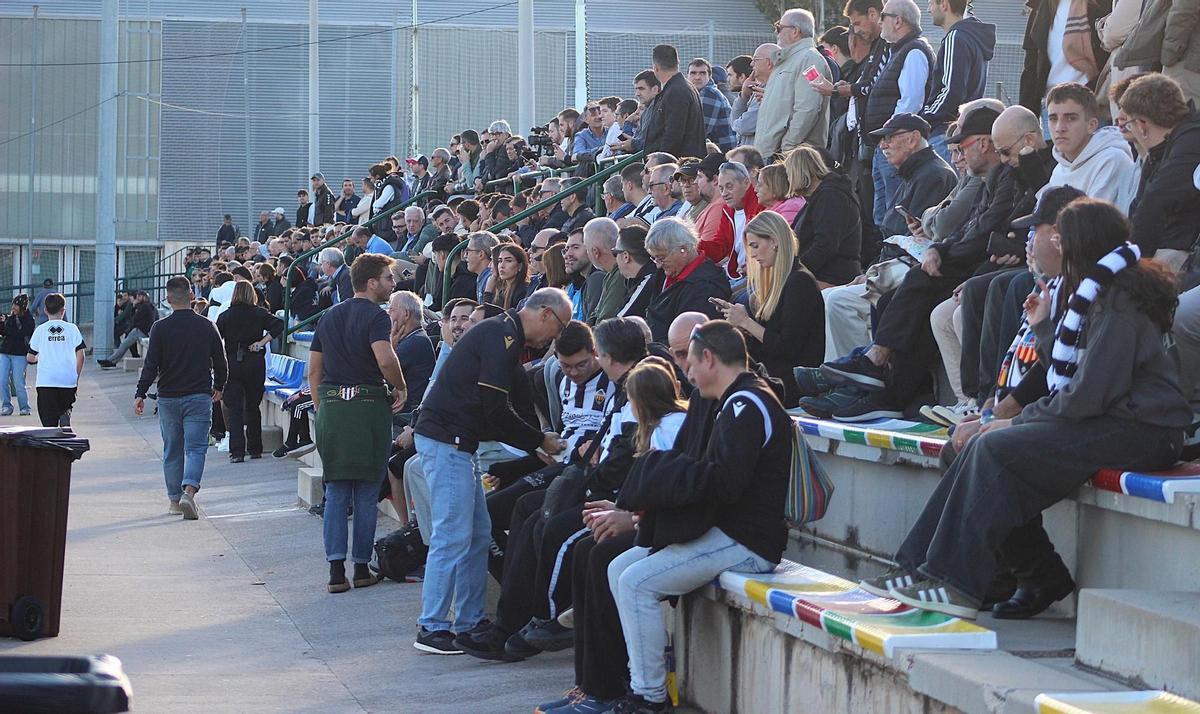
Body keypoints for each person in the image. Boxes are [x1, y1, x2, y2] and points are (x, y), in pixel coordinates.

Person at [865, 198, 1188, 620]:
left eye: (1058, 236)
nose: (1045, 242)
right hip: (1111, 419)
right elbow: (1074, 375)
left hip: (1143, 430)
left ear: (1081, 244)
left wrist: (1014, 421)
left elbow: (1087, 394)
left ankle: (954, 583)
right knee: (961, 449)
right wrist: (1044, 329)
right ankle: (1009, 574)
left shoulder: (1120, 301)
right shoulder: (1097, 293)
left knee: (994, 450)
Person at [608, 320, 791, 713]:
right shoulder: (735, 399)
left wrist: (661, 475)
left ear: (709, 358)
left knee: (637, 583)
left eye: (689, 363)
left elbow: (726, 484)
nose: (686, 374)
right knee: (619, 567)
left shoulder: (747, 404)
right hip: (725, 533)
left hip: (747, 542)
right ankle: (645, 676)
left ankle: (649, 697)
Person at [412, 288, 572, 654]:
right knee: (453, 534)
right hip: (447, 440)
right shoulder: (501, 335)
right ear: (546, 314)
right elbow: (496, 408)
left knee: (478, 533)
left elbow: (508, 404)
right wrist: (538, 441)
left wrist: (535, 441)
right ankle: (432, 625)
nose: (555, 338)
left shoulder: (504, 333)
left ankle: (468, 622)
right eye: (559, 327)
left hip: (457, 442)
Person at [308, 253, 409, 594]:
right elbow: (384, 358)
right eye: (387, 279)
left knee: (336, 490)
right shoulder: (376, 317)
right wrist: (401, 386)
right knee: (366, 493)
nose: (391, 285)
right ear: (371, 283)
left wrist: (324, 408)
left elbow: (314, 371)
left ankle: (336, 572)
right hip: (367, 407)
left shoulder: (329, 316)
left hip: (334, 407)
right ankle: (362, 568)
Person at [133, 278, 227, 520]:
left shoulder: (160, 328)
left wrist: (141, 393)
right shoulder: (207, 326)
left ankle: (174, 501)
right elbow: (221, 361)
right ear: (192, 295)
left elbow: (151, 365)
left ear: (168, 299)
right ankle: (189, 490)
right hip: (198, 395)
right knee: (196, 448)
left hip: (168, 397)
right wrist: (219, 386)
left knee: (172, 450)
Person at [711, 211, 824, 407]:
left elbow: (788, 348)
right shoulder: (777, 283)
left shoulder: (799, 282)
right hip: (772, 377)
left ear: (774, 241)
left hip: (791, 384)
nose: (752, 255)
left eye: (755, 246)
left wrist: (746, 322)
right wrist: (741, 327)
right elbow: (765, 346)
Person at [1119, 73, 1200, 267]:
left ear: (1142, 125)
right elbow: (1138, 208)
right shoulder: (1171, 144)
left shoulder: (1191, 139)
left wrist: (1129, 266)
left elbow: (1157, 199)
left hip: (1182, 256)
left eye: (1129, 124)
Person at [216, 280, 284, 463]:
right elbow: (278, 325)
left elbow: (215, 339)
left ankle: (237, 452)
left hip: (232, 363)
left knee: (235, 408)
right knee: (253, 407)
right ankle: (255, 448)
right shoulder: (259, 313)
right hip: (254, 361)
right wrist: (262, 342)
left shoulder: (225, 316)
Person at [920, 0, 996, 162]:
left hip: (944, 133)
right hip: (960, 131)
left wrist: (925, 118)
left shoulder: (955, 37)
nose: (928, 9)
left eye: (931, 3)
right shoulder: (972, 36)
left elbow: (951, 90)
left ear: (944, 5)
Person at [1040, 82, 1135, 207]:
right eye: (1053, 119)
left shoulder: (1112, 160)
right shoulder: (1059, 169)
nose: (1059, 128)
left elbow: (1090, 223)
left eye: (1070, 118)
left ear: (1092, 125)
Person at [755, 8, 832, 159]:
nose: (777, 33)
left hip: (790, 158)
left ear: (795, 31)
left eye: (779, 27)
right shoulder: (787, 60)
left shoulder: (809, 58)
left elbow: (808, 108)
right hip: (775, 153)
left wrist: (788, 147)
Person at [868, 113, 957, 239]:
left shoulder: (932, 176)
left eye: (888, 137)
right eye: (881, 140)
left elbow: (916, 239)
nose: (882, 146)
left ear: (913, 138)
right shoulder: (914, 172)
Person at [784, 145, 863, 287]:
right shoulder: (821, 196)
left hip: (831, 276)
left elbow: (825, 244)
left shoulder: (830, 196)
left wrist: (795, 271)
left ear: (799, 172)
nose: (788, 180)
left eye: (789, 174)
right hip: (818, 273)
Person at [644, 218, 730, 342]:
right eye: (655, 258)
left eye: (661, 258)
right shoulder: (665, 274)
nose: (658, 265)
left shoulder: (704, 288)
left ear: (683, 250)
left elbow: (687, 343)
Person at [25, 293, 84, 428]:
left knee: (48, 421)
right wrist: (76, 377)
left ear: (45, 310)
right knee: (65, 406)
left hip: (46, 381)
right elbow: (81, 355)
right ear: (63, 310)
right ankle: (65, 415)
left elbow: (30, 357)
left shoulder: (40, 330)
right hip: (67, 380)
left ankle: (52, 439)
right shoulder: (72, 329)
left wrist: (39, 358)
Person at [641, 44, 706, 159]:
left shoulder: (675, 91)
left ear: (655, 68)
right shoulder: (684, 87)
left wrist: (658, 162)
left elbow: (673, 134)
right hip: (682, 164)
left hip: (676, 168)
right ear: (677, 63)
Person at [702, 161, 763, 280]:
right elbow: (719, 248)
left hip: (755, 275)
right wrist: (693, 244)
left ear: (746, 183)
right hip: (735, 275)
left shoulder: (760, 206)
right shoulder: (727, 210)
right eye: (721, 188)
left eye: (729, 186)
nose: (724, 193)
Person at [687, 58, 737, 152]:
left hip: (723, 154)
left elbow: (700, 131)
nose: (697, 77)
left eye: (702, 73)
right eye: (693, 73)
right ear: (687, 76)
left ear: (709, 76)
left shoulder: (709, 93)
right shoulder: (698, 93)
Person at [98, 291, 157, 368]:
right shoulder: (147, 306)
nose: (137, 298)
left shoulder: (145, 307)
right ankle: (112, 361)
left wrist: (134, 306)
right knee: (125, 344)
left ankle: (110, 361)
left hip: (141, 331)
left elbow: (134, 318)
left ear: (144, 297)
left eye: (139, 296)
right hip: (141, 330)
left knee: (124, 344)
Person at [1, 294, 35, 416]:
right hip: (5, 352)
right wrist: (2, 324)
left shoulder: (29, 320)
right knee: (2, 379)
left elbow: (20, 333)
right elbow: (4, 333)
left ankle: (24, 407)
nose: (13, 308)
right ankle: (6, 405)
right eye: (13, 305)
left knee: (18, 381)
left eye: (16, 305)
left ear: (22, 307)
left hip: (20, 354)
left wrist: (8, 323)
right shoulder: (10, 318)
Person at [485, 243, 531, 310]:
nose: (502, 266)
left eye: (508, 261)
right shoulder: (503, 291)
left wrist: (488, 292)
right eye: (500, 261)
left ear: (520, 266)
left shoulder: (523, 291)